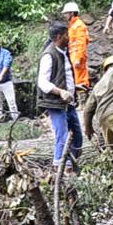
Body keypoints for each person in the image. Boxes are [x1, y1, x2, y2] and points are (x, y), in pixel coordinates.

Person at [36, 24, 81, 163]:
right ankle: (61, 165)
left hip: (69, 102)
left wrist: (74, 87)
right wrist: (61, 92)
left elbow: (64, 75)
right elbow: (42, 82)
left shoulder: (64, 52)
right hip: (56, 103)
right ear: (59, 37)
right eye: (67, 35)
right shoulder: (49, 55)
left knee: (77, 135)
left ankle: (72, 163)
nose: (69, 38)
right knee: (62, 135)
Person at [0, 39, 22, 122]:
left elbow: (6, 64)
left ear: (1, 43)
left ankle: (15, 121)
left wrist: (1, 75)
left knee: (11, 102)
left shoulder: (6, 53)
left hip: (6, 82)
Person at [63, 2, 92, 91]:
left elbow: (81, 43)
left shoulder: (78, 25)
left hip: (78, 56)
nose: (64, 15)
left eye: (66, 13)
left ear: (72, 13)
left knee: (81, 80)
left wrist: (78, 58)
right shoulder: (73, 25)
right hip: (74, 56)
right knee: (76, 79)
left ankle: (83, 99)